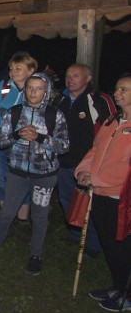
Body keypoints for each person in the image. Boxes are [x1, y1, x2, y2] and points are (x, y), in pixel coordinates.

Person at [0, 73, 68, 274]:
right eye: (30, 88)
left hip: (44, 175)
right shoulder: (14, 113)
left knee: (39, 215)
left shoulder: (55, 116)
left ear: (46, 91)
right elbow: (0, 141)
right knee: (7, 211)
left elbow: (64, 146)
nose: (33, 92)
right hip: (18, 173)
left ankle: (36, 254)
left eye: (38, 89)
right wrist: (16, 135)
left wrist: (39, 137)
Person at [75, 74, 131, 312]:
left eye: (125, 89)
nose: (118, 93)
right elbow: (95, 150)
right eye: (118, 88)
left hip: (121, 197)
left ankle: (126, 294)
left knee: (122, 246)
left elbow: (125, 168)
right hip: (99, 192)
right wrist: (84, 171)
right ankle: (118, 286)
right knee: (109, 243)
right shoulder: (113, 121)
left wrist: (97, 178)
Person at [51, 64, 116, 255]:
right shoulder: (60, 99)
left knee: (89, 204)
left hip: (87, 163)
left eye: (76, 75)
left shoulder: (99, 100)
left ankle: (93, 243)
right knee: (66, 198)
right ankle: (74, 233)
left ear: (88, 79)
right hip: (63, 161)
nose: (70, 79)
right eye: (68, 75)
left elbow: (110, 130)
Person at [0, 52, 38, 220]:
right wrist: (10, 123)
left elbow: (34, 116)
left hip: (22, 143)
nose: (14, 72)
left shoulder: (35, 90)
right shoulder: (4, 86)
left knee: (22, 179)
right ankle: (6, 218)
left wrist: (5, 114)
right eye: (12, 68)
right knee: (2, 178)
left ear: (31, 70)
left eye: (19, 68)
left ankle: (23, 219)